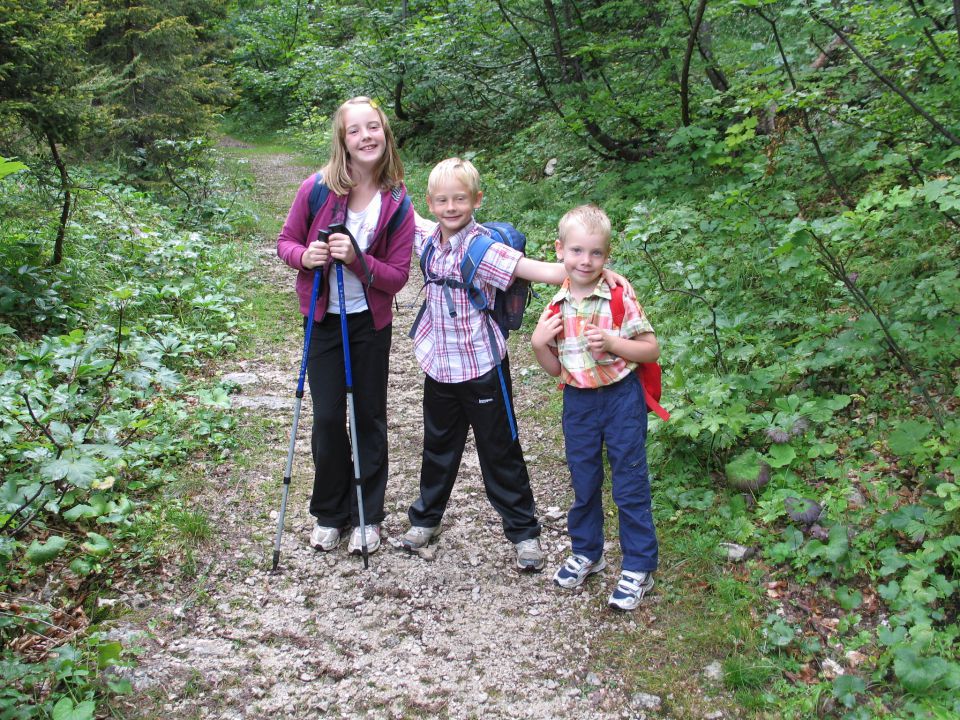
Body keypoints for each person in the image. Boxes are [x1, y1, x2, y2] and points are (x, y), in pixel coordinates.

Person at [401, 158, 632, 573]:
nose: (450, 207)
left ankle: (524, 532)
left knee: (500, 451)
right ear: (432, 203)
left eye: (459, 198)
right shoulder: (428, 239)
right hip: (438, 365)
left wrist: (595, 268)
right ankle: (425, 520)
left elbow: (542, 271)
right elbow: (402, 208)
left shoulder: (484, 249)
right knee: (438, 446)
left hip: (482, 367)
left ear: (476, 199)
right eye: (442, 200)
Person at [276, 96, 414, 557]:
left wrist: (357, 260)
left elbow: (396, 277)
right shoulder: (316, 188)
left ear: (385, 134)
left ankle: (367, 515)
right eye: (355, 130)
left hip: (369, 324)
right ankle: (330, 511)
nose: (366, 137)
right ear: (343, 140)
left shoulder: (397, 203)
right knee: (329, 418)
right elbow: (286, 242)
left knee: (368, 416)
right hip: (323, 321)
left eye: (373, 127)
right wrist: (305, 257)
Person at [530, 204, 661, 610]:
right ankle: (589, 552)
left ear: (607, 254)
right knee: (583, 481)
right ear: (560, 250)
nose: (585, 261)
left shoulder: (619, 295)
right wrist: (538, 344)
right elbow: (556, 368)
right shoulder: (556, 307)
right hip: (579, 402)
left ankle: (639, 565)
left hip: (622, 399)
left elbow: (650, 348)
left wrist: (614, 343)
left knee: (629, 481)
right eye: (576, 251)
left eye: (596, 253)